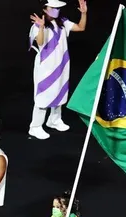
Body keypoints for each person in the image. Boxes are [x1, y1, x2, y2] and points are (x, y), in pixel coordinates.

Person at [27, 0, 88, 140]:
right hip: (46, 67)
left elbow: (80, 27)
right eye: (53, 7)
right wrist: (41, 27)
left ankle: (54, 120)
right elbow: (41, 43)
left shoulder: (62, 22)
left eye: (58, 8)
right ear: (44, 8)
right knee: (43, 96)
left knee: (59, 92)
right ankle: (35, 127)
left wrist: (83, 13)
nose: (56, 10)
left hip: (61, 64)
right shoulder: (37, 25)